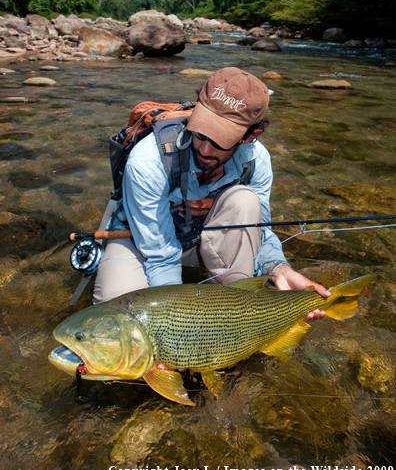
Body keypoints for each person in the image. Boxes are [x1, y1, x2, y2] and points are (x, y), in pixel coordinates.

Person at [93, 67, 330, 318]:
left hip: (206, 242)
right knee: (117, 315)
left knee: (245, 201)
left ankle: (234, 312)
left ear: (250, 136)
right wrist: (173, 321)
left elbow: (259, 230)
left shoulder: (256, 160)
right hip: (141, 240)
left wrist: (278, 268)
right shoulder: (148, 160)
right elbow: (160, 257)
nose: (205, 149)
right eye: (201, 131)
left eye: (220, 139)